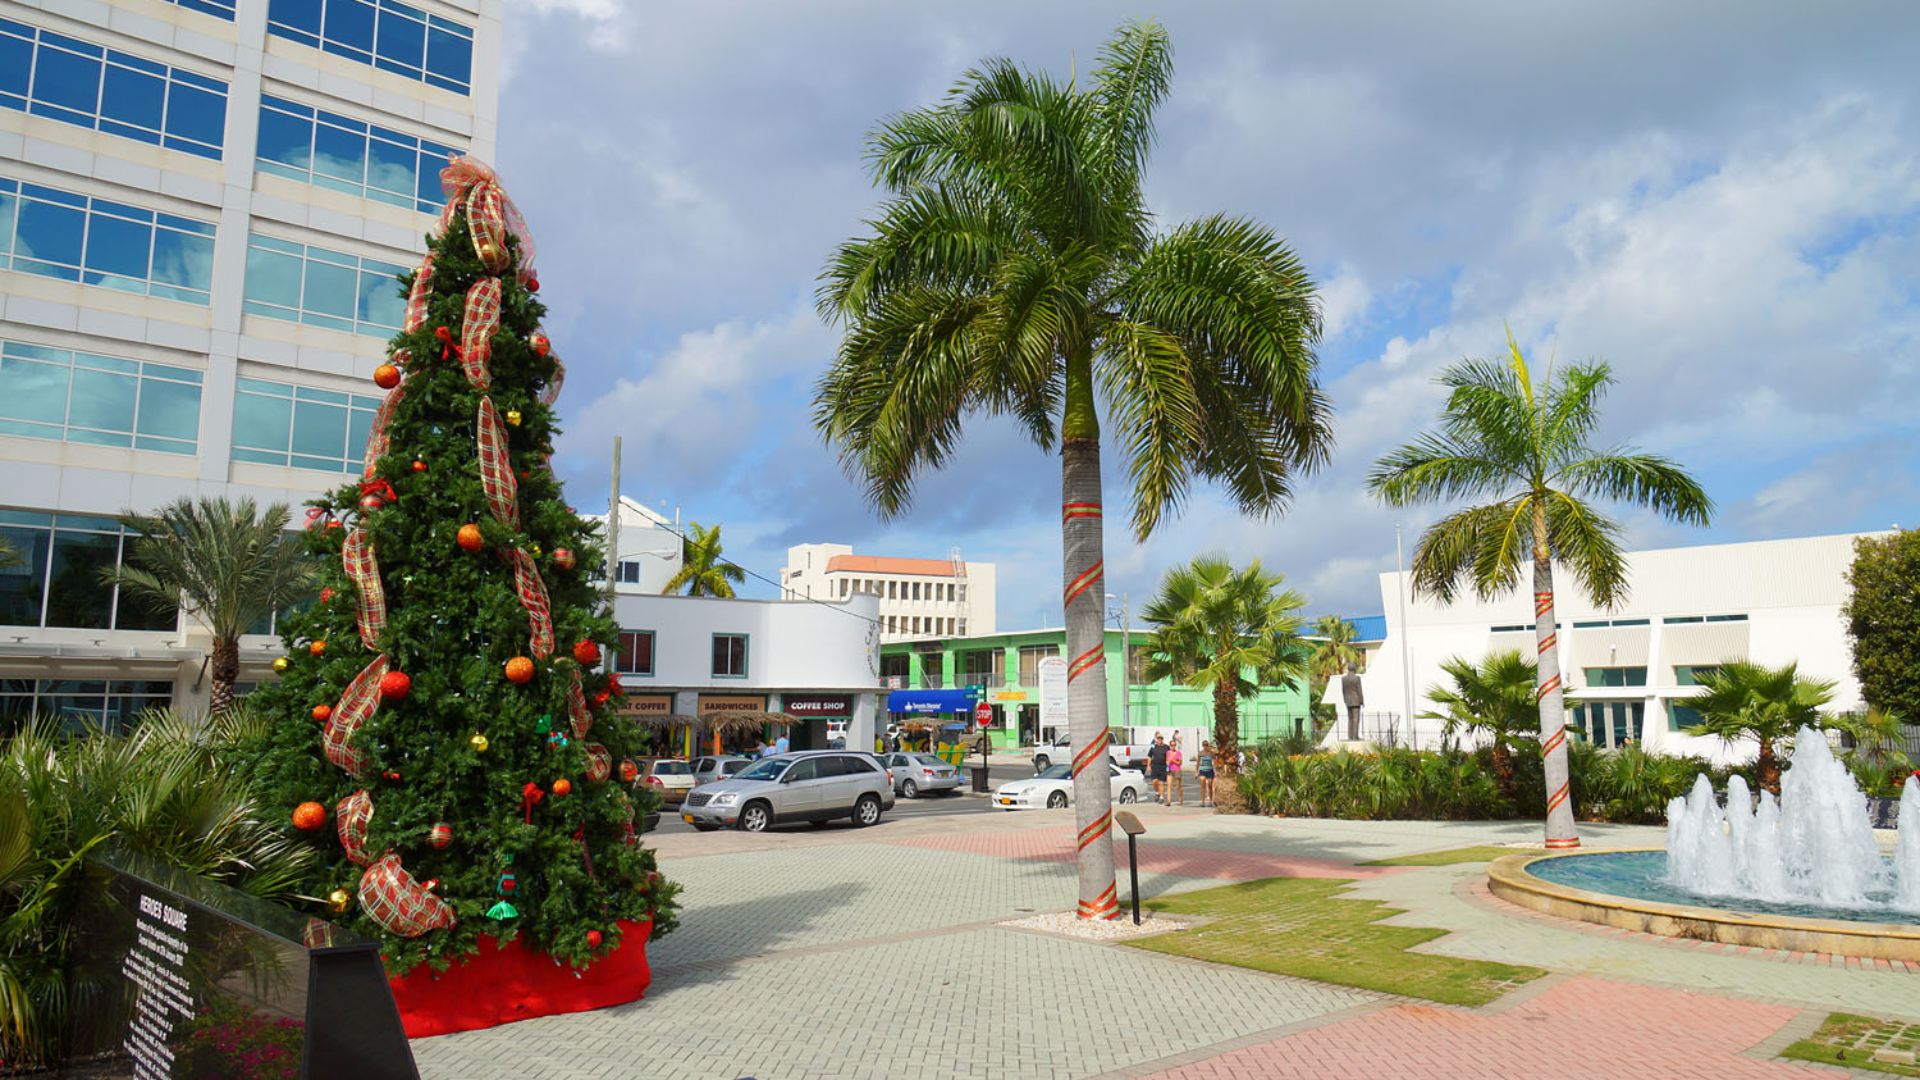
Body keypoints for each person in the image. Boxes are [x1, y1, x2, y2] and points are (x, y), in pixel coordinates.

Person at [1147, 733, 1169, 804]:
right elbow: (1149, 756)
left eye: (1161, 738)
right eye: (1158, 738)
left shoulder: (1166, 747)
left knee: (1161, 782)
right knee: (1154, 781)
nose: (1160, 740)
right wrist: (1148, 765)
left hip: (1163, 766)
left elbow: (1168, 756)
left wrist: (1168, 766)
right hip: (1154, 766)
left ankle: (1162, 797)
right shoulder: (1153, 747)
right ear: (1156, 739)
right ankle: (1157, 792)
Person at [1197, 741, 1216, 807]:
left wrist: (1216, 771)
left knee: (1210, 785)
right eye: (1204, 745)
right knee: (1203, 783)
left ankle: (1211, 801)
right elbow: (1198, 763)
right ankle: (1203, 802)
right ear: (1202, 745)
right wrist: (1196, 772)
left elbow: (1215, 761)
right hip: (1202, 770)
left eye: (1206, 745)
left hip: (1210, 770)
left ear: (1208, 745)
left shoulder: (1211, 753)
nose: (1205, 746)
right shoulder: (1200, 753)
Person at [1166, 735, 1184, 805]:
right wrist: (1168, 762)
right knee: (1169, 785)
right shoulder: (1168, 753)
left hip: (1177, 770)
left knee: (1178, 786)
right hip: (1170, 770)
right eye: (1171, 745)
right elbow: (1167, 761)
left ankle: (1180, 799)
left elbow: (1180, 763)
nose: (1173, 746)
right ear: (1170, 746)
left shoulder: (1178, 753)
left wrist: (1173, 760)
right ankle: (1169, 801)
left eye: (1174, 745)